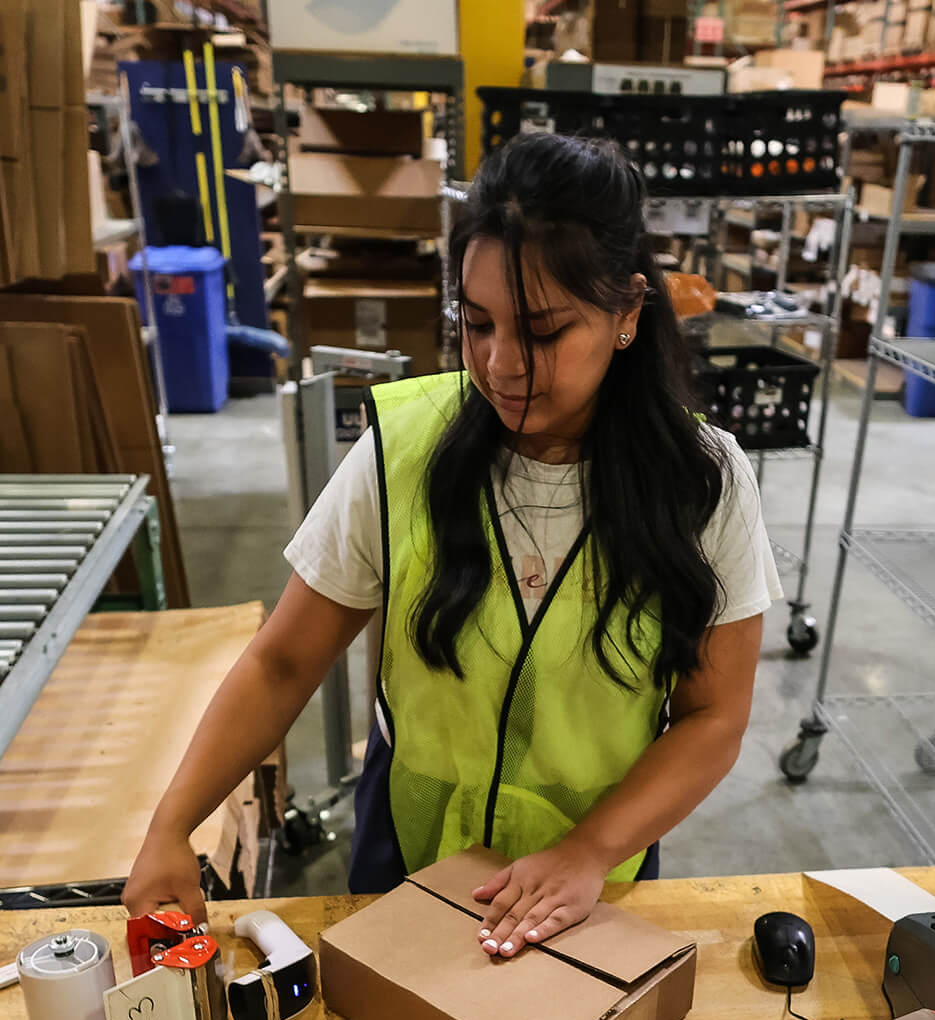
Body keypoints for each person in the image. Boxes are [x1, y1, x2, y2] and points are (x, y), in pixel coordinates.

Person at [123, 130, 781, 958]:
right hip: (408, 859)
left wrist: (590, 850)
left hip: (590, 882)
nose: (502, 365)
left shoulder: (703, 482)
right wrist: (172, 825)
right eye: (476, 325)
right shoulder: (406, 450)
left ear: (626, 314)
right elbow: (283, 662)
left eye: (543, 333)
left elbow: (713, 716)